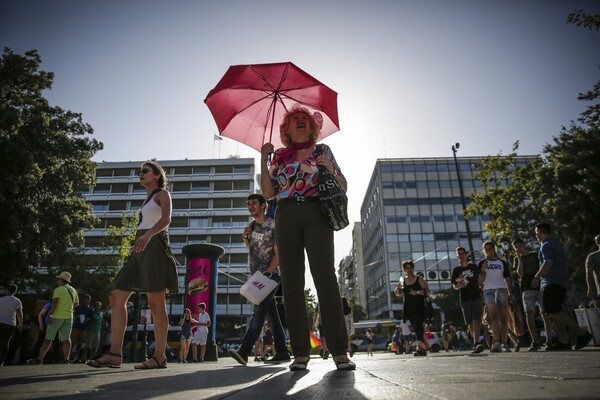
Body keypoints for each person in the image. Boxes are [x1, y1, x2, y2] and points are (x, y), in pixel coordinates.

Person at [260, 106, 354, 371]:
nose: (301, 122)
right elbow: (268, 194)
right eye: (295, 120)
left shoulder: (323, 151)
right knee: (291, 283)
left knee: (325, 277)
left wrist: (330, 171)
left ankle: (339, 350)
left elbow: (344, 186)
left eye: (305, 120)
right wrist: (263, 159)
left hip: (317, 212)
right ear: (286, 130)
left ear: (312, 128)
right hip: (286, 214)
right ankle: (300, 352)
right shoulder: (279, 156)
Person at [86, 160, 179, 369]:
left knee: (156, 303)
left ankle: (159, 356)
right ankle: (114, 354)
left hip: (155, 246)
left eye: (145, 171)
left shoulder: (162, 194)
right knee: (117, 297)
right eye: (139, 171)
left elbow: (166, 219)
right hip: (140, 249)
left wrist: (146, 236)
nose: (140, 174)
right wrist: (138, 241)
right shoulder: (146, 200)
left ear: (156, 175)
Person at [229, 193, 291, 365]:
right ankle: (283, 352)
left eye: (254, 203)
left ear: (264, 205)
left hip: (270, 275)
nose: (250, 206)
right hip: (256, 275)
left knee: (258, 313)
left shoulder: (273, 225)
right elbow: (252, 249)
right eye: (248, 204)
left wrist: (268, 273)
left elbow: (279, 253)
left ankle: (244, 350)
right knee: (272, 316)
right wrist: (245, 238)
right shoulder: (251, 226)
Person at [533, 222, 593, 350]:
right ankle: (563, 341)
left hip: (551, 282)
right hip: (559, 281)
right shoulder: (556, 244)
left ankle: (581, 333)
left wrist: (536, 277)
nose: (536, 236)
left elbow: (548, 263)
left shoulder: (546, 246)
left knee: (552, 310)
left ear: (540, 231)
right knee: (555, 311)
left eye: (536, 232)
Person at [28, 271, 79, 364]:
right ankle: (66, 359)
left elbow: (54, 302)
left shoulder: (59, 289)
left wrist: (50, 315)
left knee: (48, 338)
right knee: (67, 339)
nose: (57, 281)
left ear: (61, 280)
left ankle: (39, 359)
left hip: (57, 316)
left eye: (58, 279)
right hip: (69, 317)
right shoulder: (73, 290)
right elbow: (76, 304)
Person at [512, 238, 553, 351]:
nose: (518, 248)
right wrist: (519, 258)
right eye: (516, 247)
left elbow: (542, 266)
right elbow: (520, 273)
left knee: (544, 312)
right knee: (529, 313)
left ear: (524, 244)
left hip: (540, 285)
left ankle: (549, 340)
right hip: (526, 287)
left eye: (520, 245)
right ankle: (535, 341)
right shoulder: (517, 259)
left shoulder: (535, 254)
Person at [478, 241, 514, 353]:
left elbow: (508, 279)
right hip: (488, 290)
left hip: (502, 290)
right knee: (493, 317)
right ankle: (497, 342)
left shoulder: (502, 262)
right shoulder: (482, 263)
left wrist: (510, 293)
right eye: (486, 249)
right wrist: (483, 270)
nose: (488, 251)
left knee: (504, 318)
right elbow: (479, 281)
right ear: (484, 251)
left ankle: (505, 342)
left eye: (490, 248)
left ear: (494, 249)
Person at [451, 247, 485, 354]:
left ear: (467, 255)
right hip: (465, 298)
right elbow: (454, 286)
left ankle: (477, 342)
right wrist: (458, 286)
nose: (461, 255)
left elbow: (480, 281)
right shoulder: (456, 270)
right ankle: (474, 341)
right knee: (470, 323)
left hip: (476, 296)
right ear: (457, 256)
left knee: (476, 320)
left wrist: (484, 293)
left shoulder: (474, 267)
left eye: (463, 253)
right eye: (459, 254)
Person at [396, 260, 429, 356]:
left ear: (413, 268)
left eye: (411, 268)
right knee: (415, 327)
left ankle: (420, 347)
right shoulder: (403, 280)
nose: (409, 270)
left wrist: (417, 292)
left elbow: (426, 291)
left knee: (418, 325)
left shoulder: (419, 279)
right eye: (407, 268)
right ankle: (421, 348)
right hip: (408, 308)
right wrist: (397, 287)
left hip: (419, 307)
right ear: (404, 269)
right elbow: (397, 294)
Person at [0, 283, 23, 366]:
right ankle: (1, 360)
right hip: (10, 324)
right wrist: (20, 323)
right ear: (15, 291)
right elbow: (19, 313)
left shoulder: (1, 300)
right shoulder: (17, 301)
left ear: (7, 290)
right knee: (6, 342)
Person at [71, 293, 92, 363]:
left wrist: (88, 319)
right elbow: (72, 315)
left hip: (84, 328)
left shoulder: (90, 309)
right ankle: (70, 357)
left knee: (80, 344)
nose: (86, 300)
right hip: (76, 327)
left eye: (88, 299)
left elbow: (91, 318)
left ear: (90, 300)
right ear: (83, 299)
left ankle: (76, 357)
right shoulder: (78, 307)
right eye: (85, 299)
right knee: (73, 342)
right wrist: (77, 316)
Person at [585, 234, 600, 307]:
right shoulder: (593, 257)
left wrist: (590, 288)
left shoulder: (592, 257)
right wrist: (590, 288)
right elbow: (589, 273)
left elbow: (589, 273)